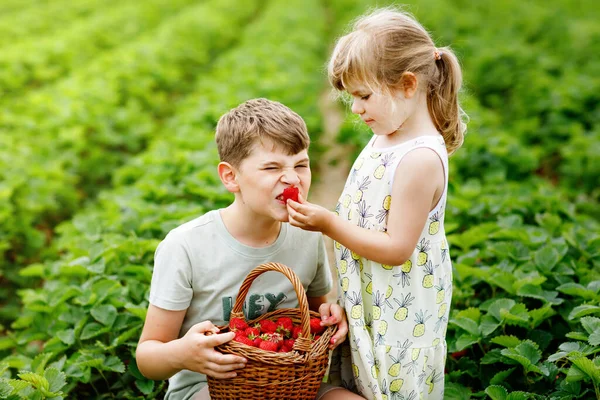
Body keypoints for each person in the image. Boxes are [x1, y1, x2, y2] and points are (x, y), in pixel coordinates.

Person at [286, 7, 468, 400]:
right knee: (364, 383)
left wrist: (329, 224)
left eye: (364, 96)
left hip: (401, 314)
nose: (356, 109)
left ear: (407, 84)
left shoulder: (419, 159)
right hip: (373, 297)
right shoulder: (388, 134)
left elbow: (396, 249)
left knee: (389, 389)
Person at [136, 98, 349, 400]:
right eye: (272, 167)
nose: (292, 178)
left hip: (289, 384)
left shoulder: (308, 234)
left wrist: (328, 317)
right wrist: (183, 354)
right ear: (230, 177)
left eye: (301, 164)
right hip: (208, 387)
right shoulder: (185, 246)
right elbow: (147, 358)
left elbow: (311, 316)